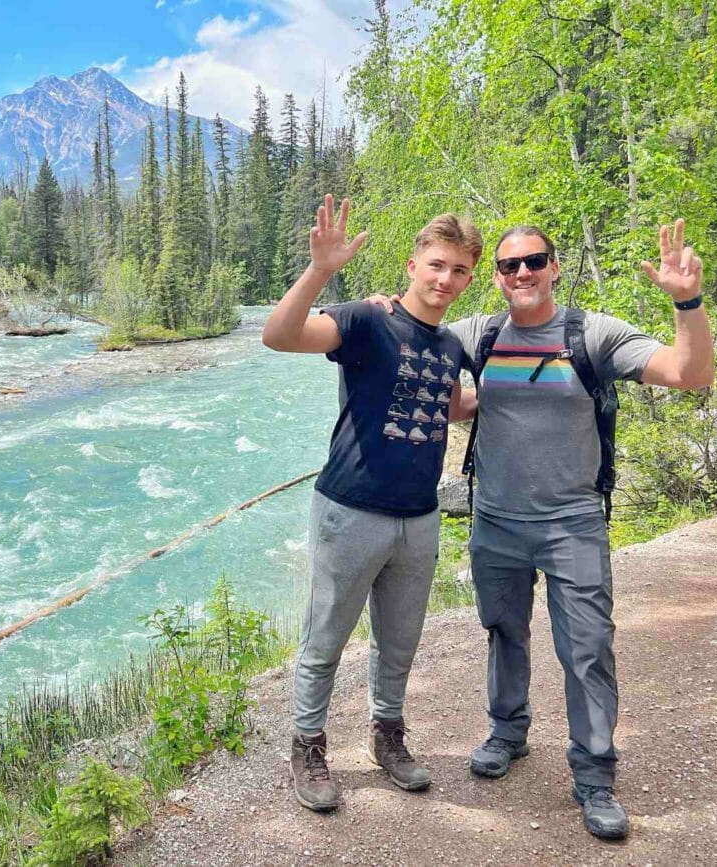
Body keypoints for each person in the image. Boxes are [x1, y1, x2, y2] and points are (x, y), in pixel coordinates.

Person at [370, 219, 714, 839]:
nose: (522, 273)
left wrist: (686, 302)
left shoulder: (594, 334)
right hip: (496, 519)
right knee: (503, 632)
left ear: (554, 267)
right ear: (496, 277)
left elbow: (690, 373)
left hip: (572, 523)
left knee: (587, 649)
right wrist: (381, 307)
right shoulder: (480, 333)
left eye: (535, 261)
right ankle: (508, 733)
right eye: (509, 266)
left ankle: (594, 773)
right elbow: (412, 332)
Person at [261, 194, 479, 811]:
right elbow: (278, 337)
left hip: (420, 515)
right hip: (350, 510)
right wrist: (320, 271)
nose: (445, 279)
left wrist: (512, 395)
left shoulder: (452, 348)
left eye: (459, 270)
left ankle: (388, 737)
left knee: (401, 640)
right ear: (413, 265)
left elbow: (450, 404)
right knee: (325, 637)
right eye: (436, 264)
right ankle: (307, 746)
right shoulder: (364, 320)